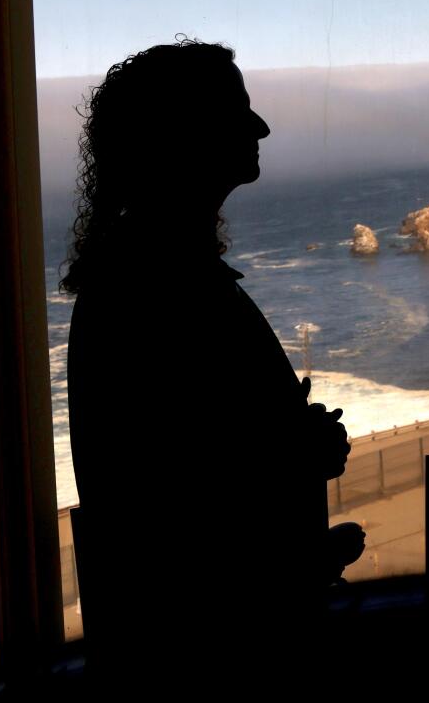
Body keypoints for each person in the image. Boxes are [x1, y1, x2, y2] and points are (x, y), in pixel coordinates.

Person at [63, 38, 362, 688]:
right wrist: (296, 459)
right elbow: (178, 508)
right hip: (213, 668)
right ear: (180, 135)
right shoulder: (156, 290)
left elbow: (195, 463)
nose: (259, 127)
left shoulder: (148, 278)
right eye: (235, 111)